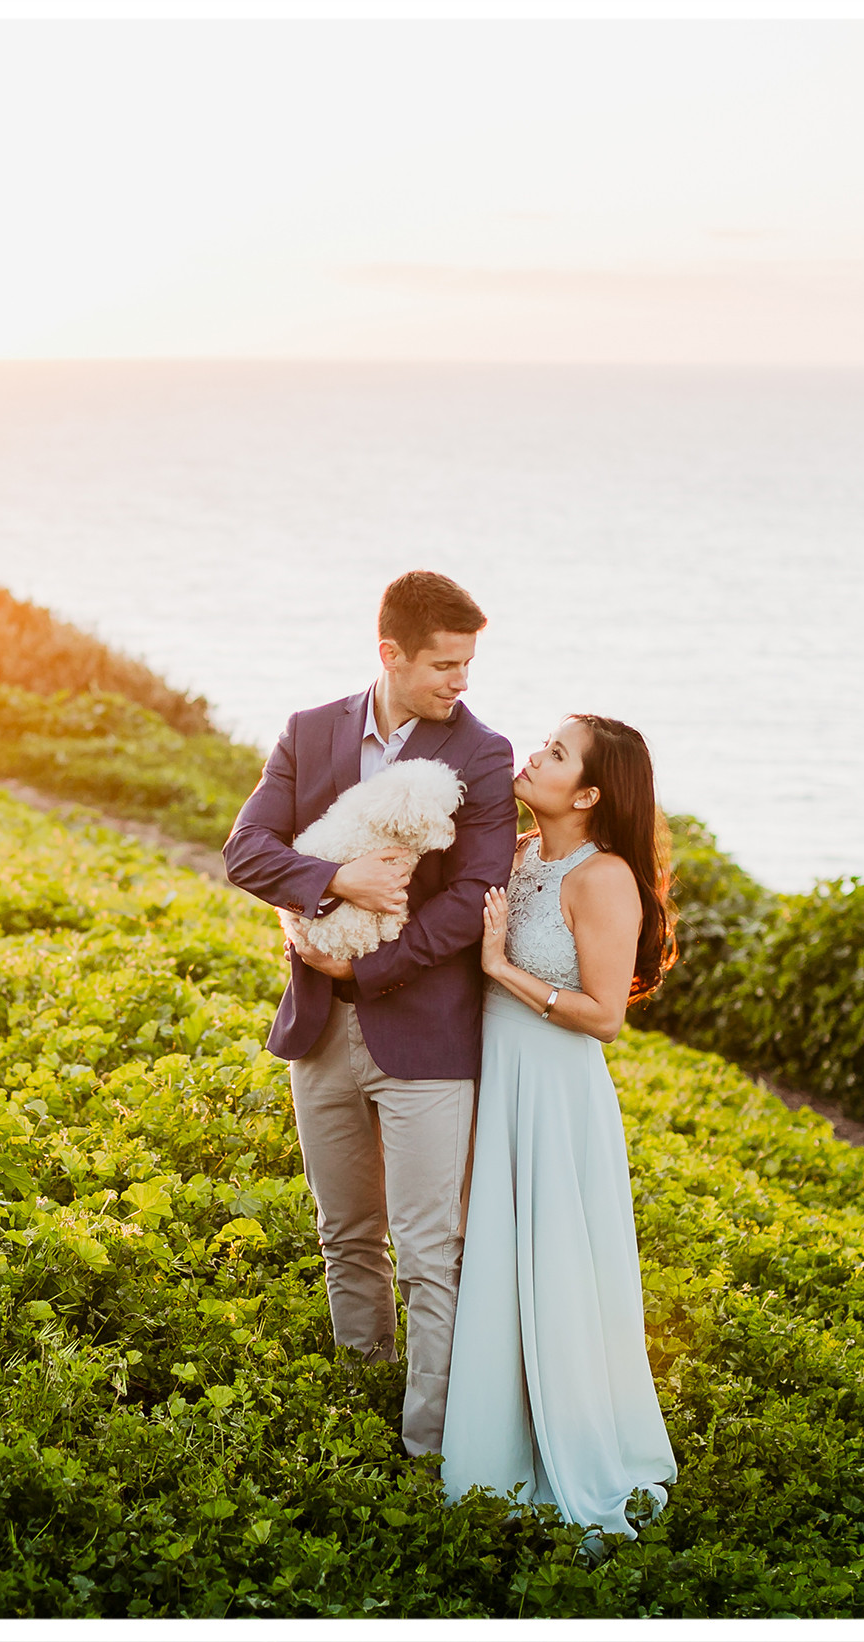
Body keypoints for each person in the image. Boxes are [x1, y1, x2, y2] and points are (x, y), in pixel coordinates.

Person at [222, 570, 518, 1458]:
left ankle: (433, 1448)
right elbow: (247, 851)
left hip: (426, 1039)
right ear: (390, 654)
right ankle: (359, 1417)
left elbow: (474, 897)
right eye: (443, 664)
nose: (460, 681)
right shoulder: (310, 733)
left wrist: (368, 961)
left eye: (468, 663)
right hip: (319, 1033)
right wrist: (334, 883)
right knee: (345, 1236)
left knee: (432, 1255)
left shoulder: (483, 753)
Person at [439, 712, 681, 1535]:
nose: (532, 754)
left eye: (554, 753)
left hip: (554, 1093)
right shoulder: (516, 853)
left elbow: (605, 1016)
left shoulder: (602, 876)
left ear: (587, 792)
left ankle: (572, 1451)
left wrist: (502, 967)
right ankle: (489, 1450)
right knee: (493, 1261)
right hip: (496, 1078)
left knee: (554, 1268)